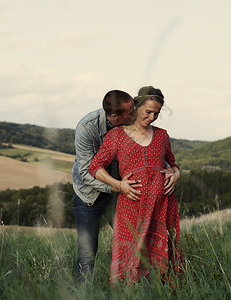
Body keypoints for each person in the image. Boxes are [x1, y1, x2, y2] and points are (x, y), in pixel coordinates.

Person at [88, 86, 181, 283]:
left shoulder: (163, 135)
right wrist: (119, 185)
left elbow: (173, 164)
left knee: (163, 259)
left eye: (157, 113)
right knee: (129, 257)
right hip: (131, 206)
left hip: (162, 206)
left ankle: (161, 292)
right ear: (137, 107)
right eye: (148, 111)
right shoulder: (117, 135)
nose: (152, 117)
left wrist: (176, 174)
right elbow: (95, 167)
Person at [72, 90, 140, 282]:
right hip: (88, 196)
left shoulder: (131, 124)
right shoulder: (87, 127)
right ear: (114, 116)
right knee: (87, 255)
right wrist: (118, 186)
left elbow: (150, 150)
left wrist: (172, 170)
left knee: (132, 244)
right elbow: (85, 173)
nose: (134, 115)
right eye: (130, 113)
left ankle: (131, 291)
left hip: (120, 195)